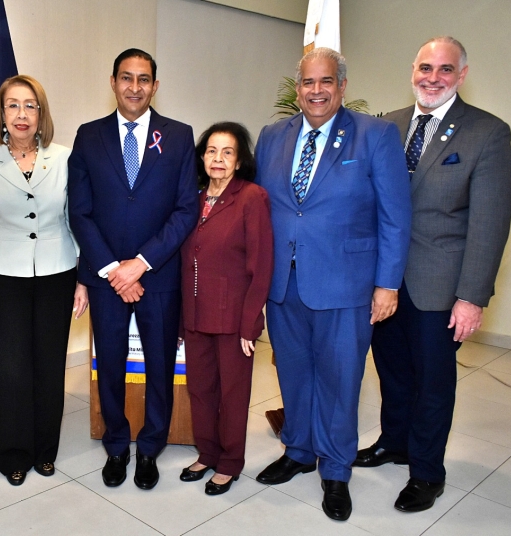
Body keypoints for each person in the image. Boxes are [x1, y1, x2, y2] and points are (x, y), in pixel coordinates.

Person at [354, 36, 511, 513]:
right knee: (393, 372)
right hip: (385, 283)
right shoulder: (388, 125)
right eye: (426, 67)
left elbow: (490, 223)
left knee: (433, 383)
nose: (433, 77)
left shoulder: (487, 133)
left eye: (445, 69)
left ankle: (426, 472)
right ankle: (395, 443)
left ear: (461, 76)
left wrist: (472, 297)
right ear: (412, 69)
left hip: (440, 288)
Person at [254, 48, 412, 521]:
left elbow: (395, 217)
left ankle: (337, 470)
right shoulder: (271, 136)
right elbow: (262, 209)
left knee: (341, 382)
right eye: (308, 82)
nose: (316, 91)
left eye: (326, 82)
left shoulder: (376, 135)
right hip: (283, 285)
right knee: (293, 374)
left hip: (346, 286)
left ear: (342, 86)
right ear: (297, 87)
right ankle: (299, 450)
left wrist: (387, 285)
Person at [68, 48, 199, 490]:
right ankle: (117, 445)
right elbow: (80, 211)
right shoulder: (88, 137)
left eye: (144, 79)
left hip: (157, 277)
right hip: (106, 279)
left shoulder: (179, 137)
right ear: (113, 81)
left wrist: (139, 265)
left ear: (155, 86)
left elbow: (185, 210)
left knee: (161, 366)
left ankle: (150, 448)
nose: (135, 87)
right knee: (111, 365)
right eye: (127, 77)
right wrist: (111, 269)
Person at [0, 75, 88, 486]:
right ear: (2, 113)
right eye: (13, 105)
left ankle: (45, 450)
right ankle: (14, 453)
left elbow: (76, 221)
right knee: (9, 369)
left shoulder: (66, 157)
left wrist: (83, 280)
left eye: (30, 105)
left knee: (50, 367)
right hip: (2, 277)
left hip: (57, 273)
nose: (22, 114)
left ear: (41, 113)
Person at [179, 122, 273, 495]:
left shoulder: (252, 198)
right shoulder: (194, 198)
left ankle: (231, 462)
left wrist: (251, 321)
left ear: (239, 160)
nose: (218, 159)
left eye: (227, 152)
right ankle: (207, 453)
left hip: (233, 316)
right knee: (200, 389)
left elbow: (261, 265)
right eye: (212, 151)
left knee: (233, 393)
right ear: (202, 157)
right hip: (195, 314)